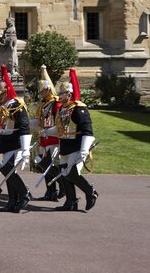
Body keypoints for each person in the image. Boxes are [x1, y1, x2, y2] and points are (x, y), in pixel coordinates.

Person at [52, 69, 98, 212]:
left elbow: (87, 130)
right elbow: (61, 128)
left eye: (62, 93)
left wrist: (84, 150)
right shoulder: (62, 109)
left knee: (72, 173)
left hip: (76, 146)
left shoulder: (79, 109)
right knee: (64, 173)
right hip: (65, 146)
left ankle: (90, 191)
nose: (59, 96)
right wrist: (48, 131)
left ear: (69, 94)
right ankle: (71, 201)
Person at [0, 64, 32, 213]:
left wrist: (25, 149)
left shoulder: (17, 105)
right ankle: (12, 200)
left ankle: (24, 193)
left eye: (1, 92)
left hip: (16, 143)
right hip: (6, 144)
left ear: (6, 90)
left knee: (8, 170)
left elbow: (24, 127)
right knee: (8, 172)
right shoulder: (1, 106)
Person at [31, 66, 63, 202]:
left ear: (49, 89)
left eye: (43, 90)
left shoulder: (56, 104)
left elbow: (59, 123)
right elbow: (39, 121)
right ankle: (50, 191)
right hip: (44, 138)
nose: (41, 93)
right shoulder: (43, 104)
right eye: (40, 90)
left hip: (53, 138)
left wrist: (48, 131)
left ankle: (63, 185)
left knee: (51, 166)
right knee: (45, 166)